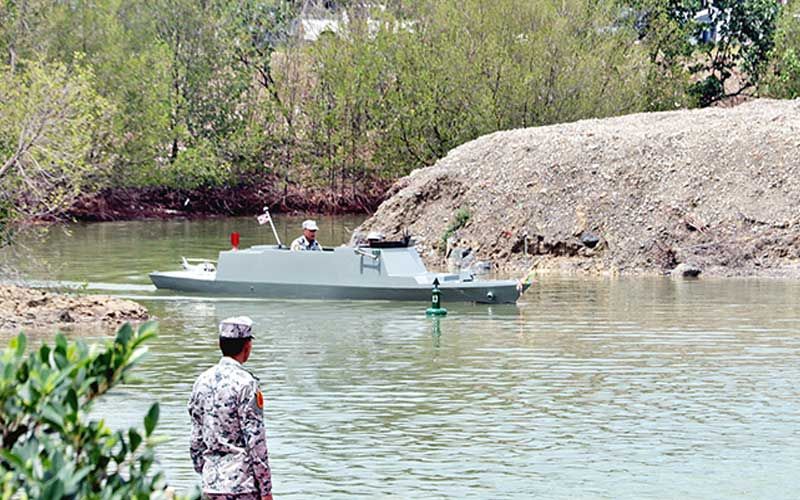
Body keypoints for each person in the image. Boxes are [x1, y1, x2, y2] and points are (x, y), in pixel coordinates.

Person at [188, 316, 273, 500]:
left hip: (211, 484)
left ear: (220, 344)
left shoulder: (201, 381)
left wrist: (207, 472)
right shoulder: (246, 384)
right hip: (242, 486)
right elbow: (255, 441)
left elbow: (196, 438)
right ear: (247, 346)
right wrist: (266, 489)